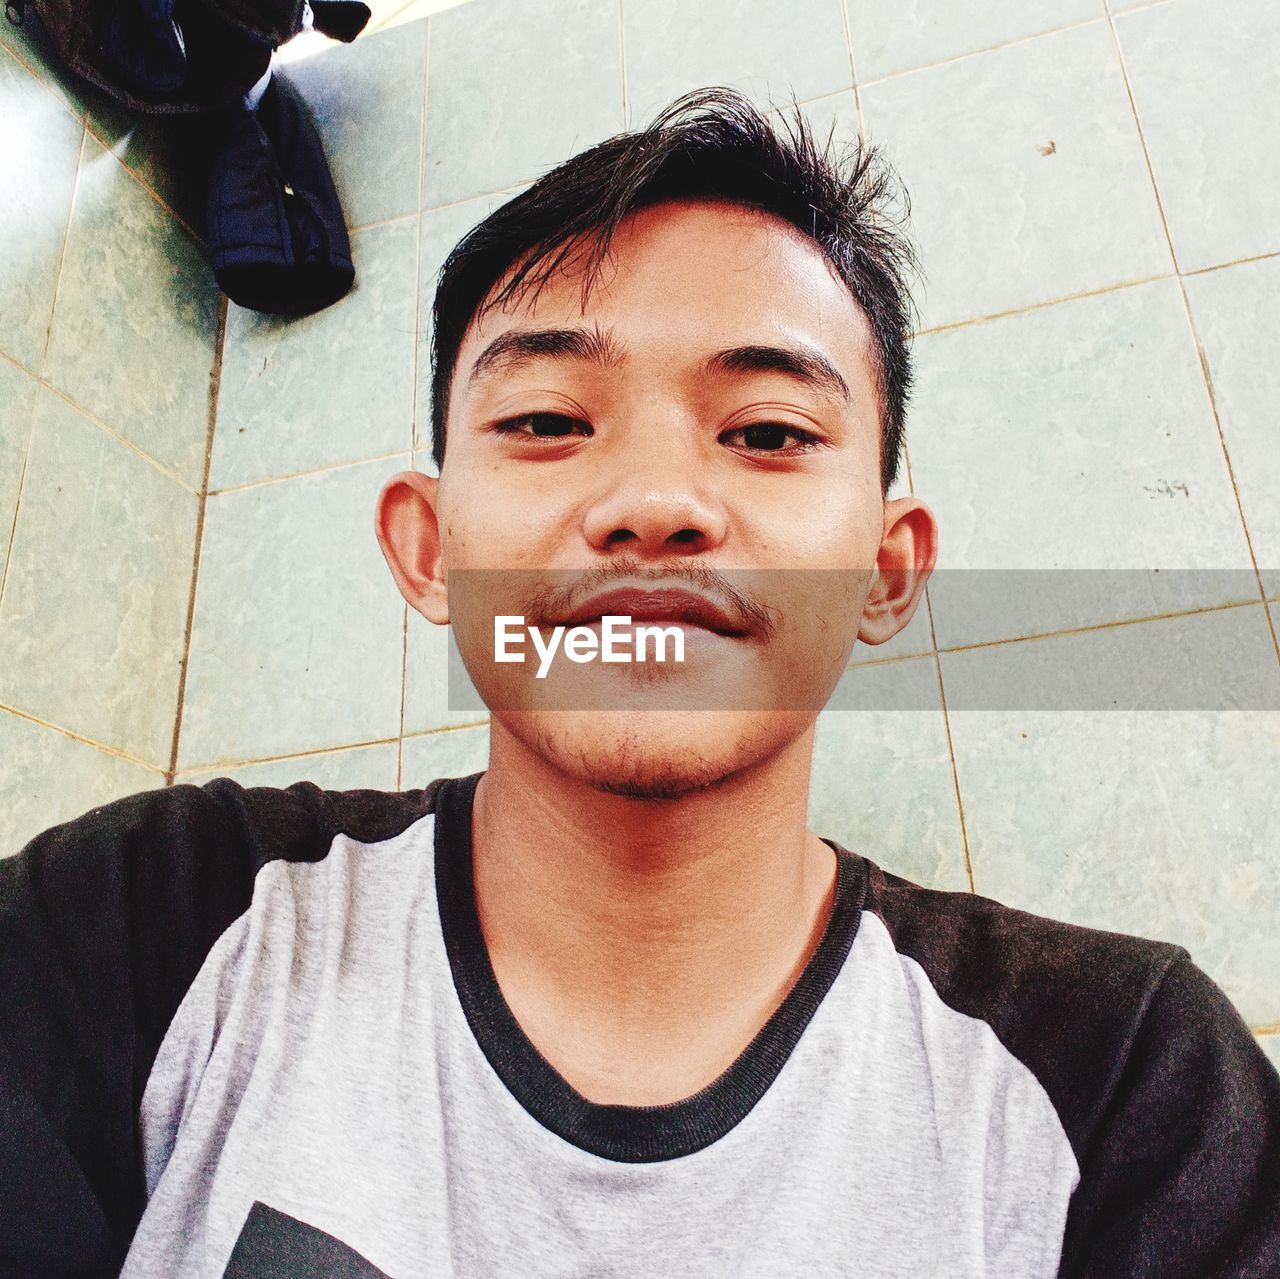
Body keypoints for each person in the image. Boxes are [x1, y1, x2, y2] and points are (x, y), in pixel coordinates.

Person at [1, 87, 1277, 1279]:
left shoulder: (1126, 1074)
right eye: (551, 421)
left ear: (886, 573)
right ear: (427, 544)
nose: (655, 505)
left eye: (768, 432)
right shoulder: (142, 923)